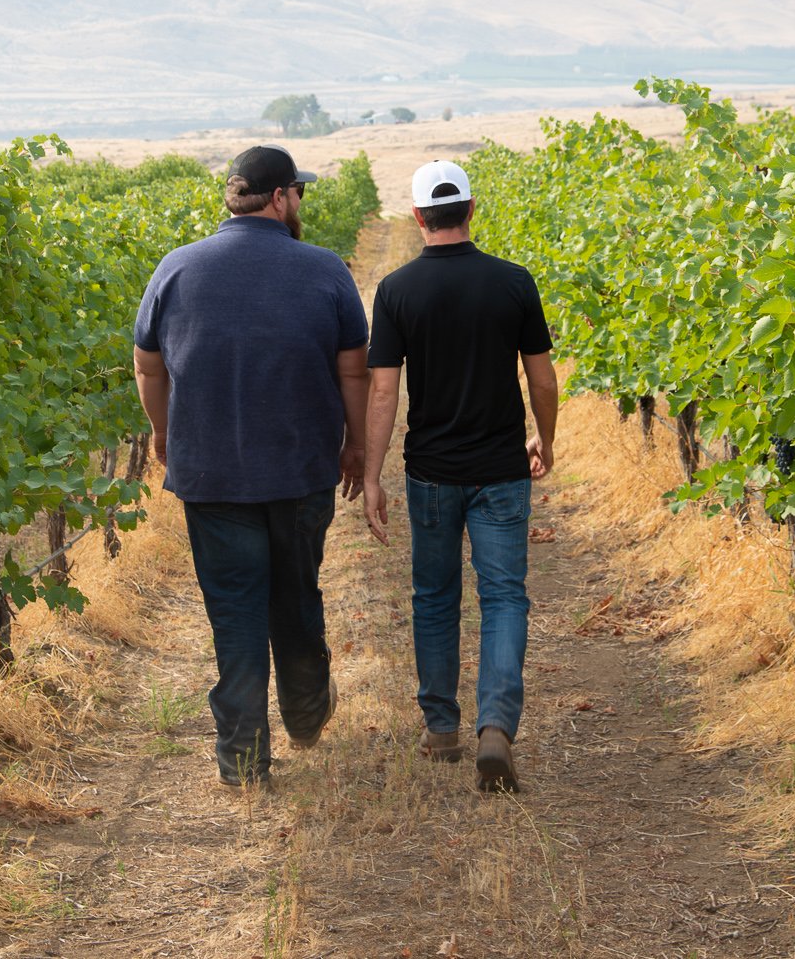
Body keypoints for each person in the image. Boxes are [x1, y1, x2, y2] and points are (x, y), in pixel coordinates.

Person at [132, 142, 370, 788]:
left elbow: (148, 366)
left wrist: (162, 431)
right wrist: (357, 443)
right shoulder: (324, 270)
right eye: (301, 193)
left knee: (234, 615)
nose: (301, 204)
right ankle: (305, 710)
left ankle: (242, 760)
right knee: (295, 596)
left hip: (211, 476)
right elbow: (354, 369)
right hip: (300, 473)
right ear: (280, 197)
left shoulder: (175, 270)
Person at [362, 158, 556, 792]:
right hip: (501, 468)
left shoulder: (395, 292)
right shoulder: (513, 282)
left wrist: (370, 474)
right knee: (504, 597)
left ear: (418, 217)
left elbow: (384, 393)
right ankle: (496, 725)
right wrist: (544, 439)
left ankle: (441, 728)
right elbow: (542, 377)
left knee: (435, 597)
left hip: (432, 474)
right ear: (471, 210)